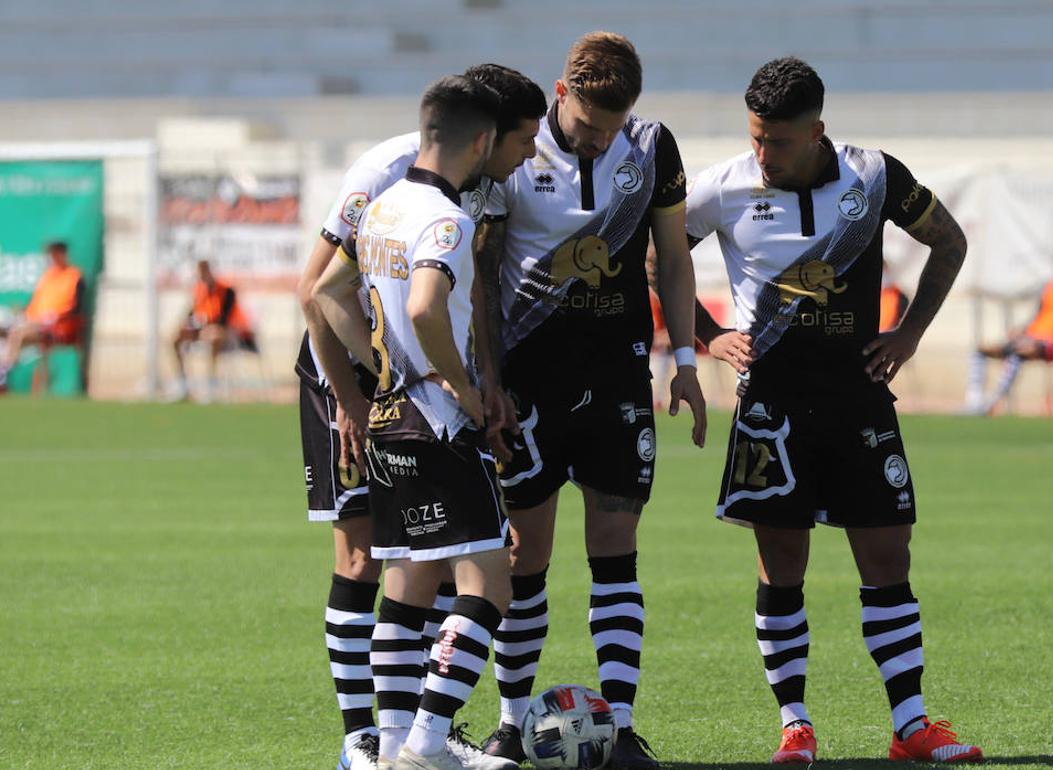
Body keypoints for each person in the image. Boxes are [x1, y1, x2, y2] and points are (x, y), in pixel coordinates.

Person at [677, 57, 983, 764]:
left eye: (777, 141)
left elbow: (950, 241)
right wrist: (707, 333)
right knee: (781, 560)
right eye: (755, 138)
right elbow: (655, 258)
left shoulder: (874, 177)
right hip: (771, 405)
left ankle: (910, 727)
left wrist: (909, 334)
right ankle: (794, 726)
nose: (762, 154)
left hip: (856, 395)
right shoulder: (722, 188)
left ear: (817, 131)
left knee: (887, 555)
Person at [295, 66, 545, 770]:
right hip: (438, 424)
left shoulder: (382, 207)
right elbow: (425, 307)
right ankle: (430, 742)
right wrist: (458, 387)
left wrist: (383, 371)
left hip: (387, 418)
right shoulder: (448, 219)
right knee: (490, 581)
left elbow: (326, 293)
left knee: (406, 581)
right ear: (483, 139)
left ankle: (399, 739)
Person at [473, 32, 707, 769]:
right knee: (524, 553)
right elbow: (480, 273)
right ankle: (511, 723)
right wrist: (487, 375)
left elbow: (671, 257)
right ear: (560, 93)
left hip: (617, 374)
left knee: (616, 548)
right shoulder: (513, 149)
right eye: (587, 125)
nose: (599, 139)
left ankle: (624, 722)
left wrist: (687, 359)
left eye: (612, 128)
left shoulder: (652, 146)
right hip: (527, 382)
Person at [965, 254, 1053, 414]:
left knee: (1020, 353)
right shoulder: (1051, 287)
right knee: (980, 350)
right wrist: (1022, 330)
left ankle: (991, 403)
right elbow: (1040, 316)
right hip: (1035, 337)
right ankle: (974, 402)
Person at [0, 241, 85, 389]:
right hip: (35, 322)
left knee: (17, 334)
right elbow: (36, 304)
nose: (52, 257)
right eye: (51, 254)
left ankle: (3, 375)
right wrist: (23, 312)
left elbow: (74, 308)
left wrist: (53, 317)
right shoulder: (48, 276)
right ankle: (4, 369)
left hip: (58, 325)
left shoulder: (74, 276)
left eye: (55, 253)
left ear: (63, 254)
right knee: (6, 331)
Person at [169, 259, 256, 400]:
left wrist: (209, 327)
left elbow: (225, 320)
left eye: (204, 271)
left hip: (229, 334)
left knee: (214, 335)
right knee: (176, 338)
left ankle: (211, 382)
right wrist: (187, 326)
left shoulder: (227, 290)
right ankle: (183, 383)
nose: (202, 275)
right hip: (202, 331)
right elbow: (193, 313)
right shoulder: (199, 290)